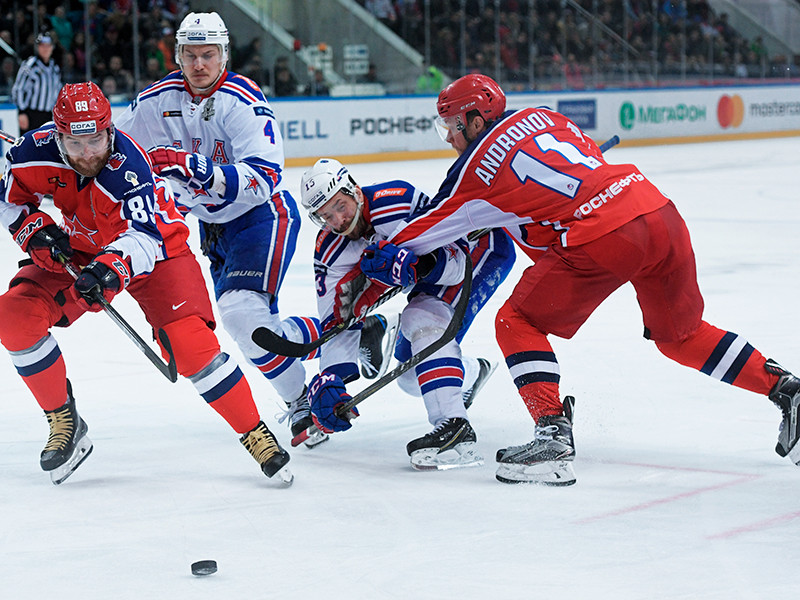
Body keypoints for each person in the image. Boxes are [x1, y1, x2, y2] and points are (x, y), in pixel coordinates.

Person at [359, 73, 800, 486]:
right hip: (656, 209)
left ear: (475, 119)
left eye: (452, 126)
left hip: (606, 234)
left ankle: (552, 436)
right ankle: (786, 390)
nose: (450, 139)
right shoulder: (546, 116)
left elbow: (427, 228)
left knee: (516, 321)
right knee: (681, 336)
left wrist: (385, 254)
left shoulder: (473, 171)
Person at [0, 82, 292, 485]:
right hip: (82, 246)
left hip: (157, 250)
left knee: (190, 346)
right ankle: (64, 419)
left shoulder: (130, 166)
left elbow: (143, 237)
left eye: (96, 140)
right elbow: (8, 197)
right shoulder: (33, 152)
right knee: (14, 318)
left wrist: (108, 271)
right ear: (58, 136)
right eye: (75, 143)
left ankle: (253, 431)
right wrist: (32, 230)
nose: (87, 154)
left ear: (110, 130)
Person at [115, 12, 329, 449]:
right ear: (178, 55)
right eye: (190, 55)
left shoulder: (242, 99)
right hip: (212, 228)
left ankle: (310, 386)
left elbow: (265, 177)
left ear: (224, 55)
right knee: (247, 323)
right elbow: (112, 149)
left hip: (261, 217)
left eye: (208, 54)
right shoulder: (154, 101)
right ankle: (336, 352)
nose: (199, 64)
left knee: (241, 315)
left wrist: (197, 169)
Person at [301, 158, 515, 470]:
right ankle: (471, 373)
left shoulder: (396, 203)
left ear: (354, 190)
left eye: (340, 206)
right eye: (326, 216)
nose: (339, 220)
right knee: (411, 378)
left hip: (478, 249)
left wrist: (421, 266)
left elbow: (456, 262)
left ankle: (455, 429)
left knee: (423, 316)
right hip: (436, 275)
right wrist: (332, 376)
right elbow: (338, 322)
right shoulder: (330, 251)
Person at [11, 32, 62, 134]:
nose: (45, 49)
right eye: (42, 46)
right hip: (31, 114)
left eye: (48, 46)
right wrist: (22, 112)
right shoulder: (30, 65)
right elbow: (18, 89)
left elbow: (57, 91)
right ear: (37, 47)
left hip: (48, 115)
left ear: (52, 47)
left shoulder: (54, 68)